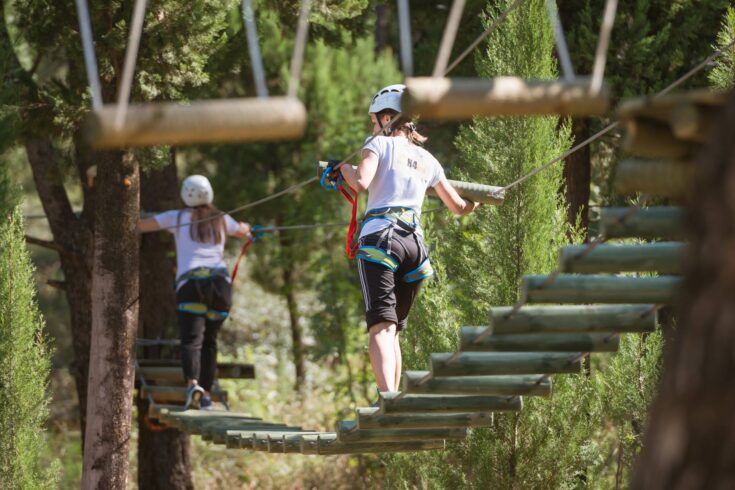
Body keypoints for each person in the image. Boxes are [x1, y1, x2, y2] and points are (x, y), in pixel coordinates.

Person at [332, 84, 480, 394]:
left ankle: (387, 397)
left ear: (387, 118)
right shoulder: (428, 159)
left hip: (381, 240)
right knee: (393, 330)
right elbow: (458, 207)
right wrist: (474, 204)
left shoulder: (378, 145)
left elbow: (361, 181)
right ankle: (394, 397)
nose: (373, 127)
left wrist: (342, 168)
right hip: (415, 246)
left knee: (380, 328)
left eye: (375, 121)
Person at [138, 175, 251, 409]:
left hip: (192, 286)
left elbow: (139, 226)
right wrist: (249, 229)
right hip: (220, 287)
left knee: (192, 341)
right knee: (210, 342)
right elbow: (243, 232)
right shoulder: (222, 219)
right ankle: (206, 395)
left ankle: (193, 385)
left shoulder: (177, 218)